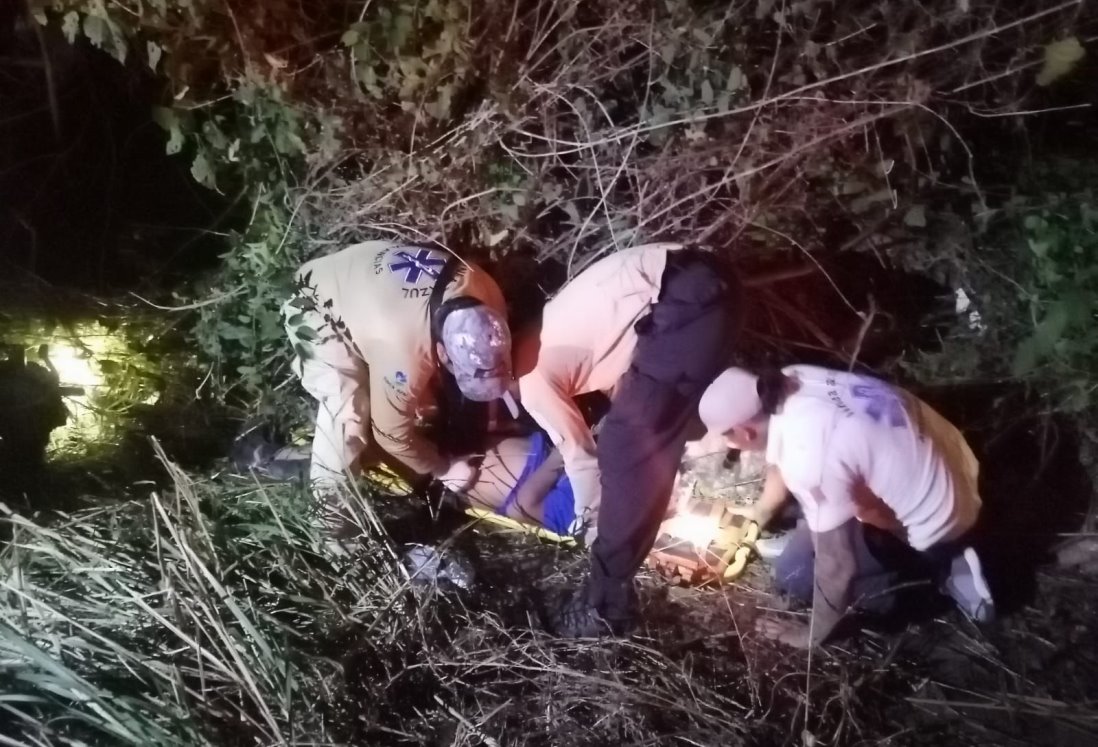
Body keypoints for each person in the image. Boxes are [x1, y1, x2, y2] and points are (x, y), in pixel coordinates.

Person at [498, 243, 742, 637]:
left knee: (624, 444)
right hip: (703, 282)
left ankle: (604, 607)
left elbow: (580, 458)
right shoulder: (545, 333)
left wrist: (590, 521)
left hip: (686, 295)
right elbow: (627, 372)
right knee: (645, 427)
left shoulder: (528, 380)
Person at [697, 365, 995, 649]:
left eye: (727, 437)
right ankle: (921, 544)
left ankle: (944, 572)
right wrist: (761, 512)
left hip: (942, 519)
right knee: (821, 508)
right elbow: (780, 456)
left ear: (745, 432)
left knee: (796, 573)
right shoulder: (788, 380)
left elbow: (838, 567)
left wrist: (809, 636)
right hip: (957, 459)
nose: (730, 446)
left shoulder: (808, 459)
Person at [283, 240, 514, 537]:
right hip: (314, 301)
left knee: (412, 397)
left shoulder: (485, 290)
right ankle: (330, 529)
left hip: (368, 289)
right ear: (442, 353)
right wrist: (444, 470)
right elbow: (390, 432)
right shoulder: (405, 353)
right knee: (349, 410)